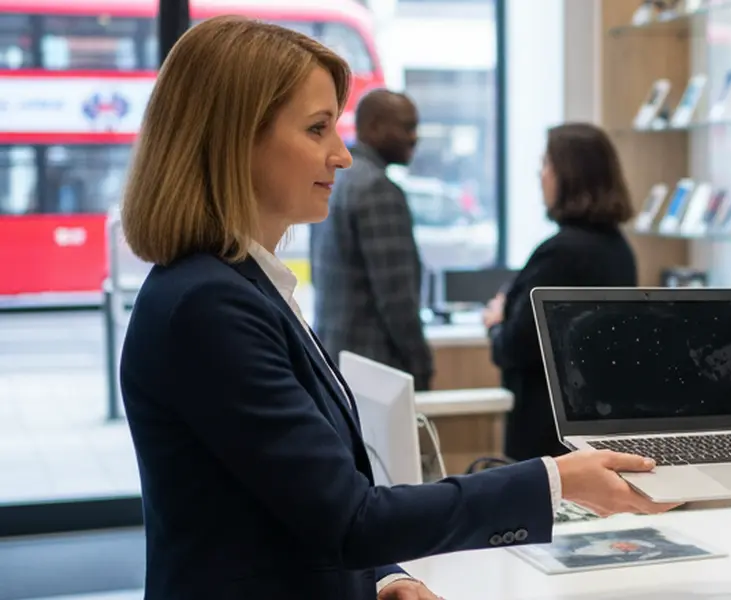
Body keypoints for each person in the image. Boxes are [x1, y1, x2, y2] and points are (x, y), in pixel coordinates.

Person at [118, 17, 674, 600]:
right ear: (235, 139)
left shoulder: (237, 285)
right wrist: (554, 480)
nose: (341, 156)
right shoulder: (208, 305)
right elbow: (349, 518)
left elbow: (291, 508)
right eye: (317, 129)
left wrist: (386, 578)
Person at [483, 123, 639, 461]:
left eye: (546, 165)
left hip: (547, 430)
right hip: (595, 423)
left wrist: (495, 322)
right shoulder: (618, 248)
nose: (541, 176)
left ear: (569, 175)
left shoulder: (560, 253)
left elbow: (515, 346)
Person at [310, 89, 434, 391]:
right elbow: (396, 298)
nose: (414, 137)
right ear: (375, 127)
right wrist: (421, 365)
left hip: (335, 361)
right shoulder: (377, 190)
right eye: (407, 127)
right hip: (376, 369)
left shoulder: (335, 180)